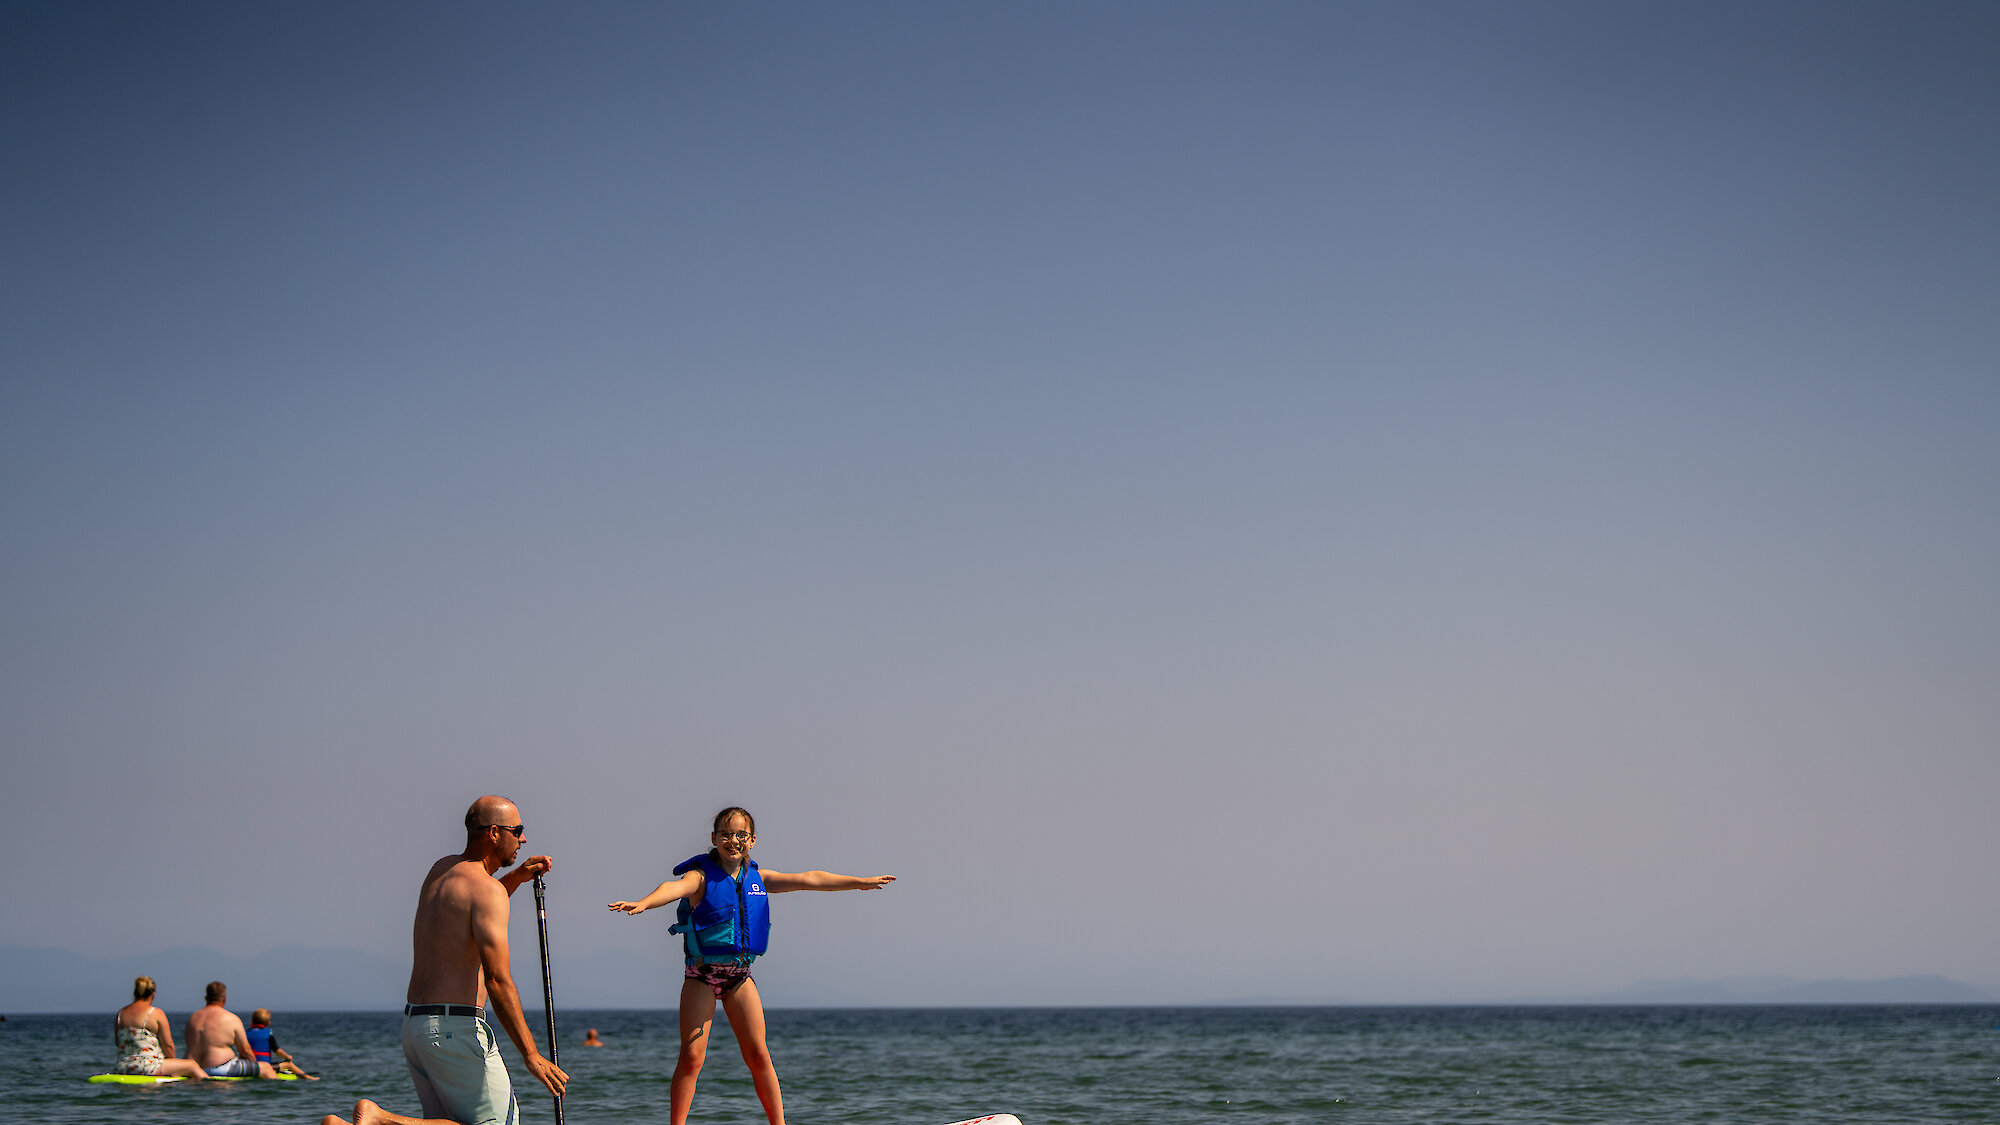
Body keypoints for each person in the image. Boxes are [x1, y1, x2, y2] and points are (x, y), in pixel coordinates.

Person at [607, 806, 895, 1125]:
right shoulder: (699, 877)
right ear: (714, 838)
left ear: (752, 840)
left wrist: (858, 882)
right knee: (691, 1058)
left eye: (741, 834)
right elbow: (672, 889)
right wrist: (643, 903)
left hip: (740, 979)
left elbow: (809, 879)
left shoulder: (759, 878)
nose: (733, 840)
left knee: (759, 1055)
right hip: (702, 977)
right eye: (726, 834)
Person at [321, 796, 568, 1125]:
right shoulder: (487, 891)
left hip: (417, 1027)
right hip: (453, 1030)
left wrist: (516, 878)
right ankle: (379, 1120)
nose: (523, 838)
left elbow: (472, 910)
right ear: (494, 833)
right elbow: (497, 979)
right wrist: (531, 1055)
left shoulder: (441, 871)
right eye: (517, 830)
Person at [112, 976, 209, 1079]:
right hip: (147, 1067)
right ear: (152, 995)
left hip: (122, 1067)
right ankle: (210, 1086)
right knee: (192, 1065)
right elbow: (168, 1046)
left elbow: (118, 1043)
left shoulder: (121, 1014)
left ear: (134, 993)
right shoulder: (155, 1013)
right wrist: (172, 1063)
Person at [185, 981, 281, 1078]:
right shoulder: (231, 1018)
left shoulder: (193, 1018)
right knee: (267, 1068)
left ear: (206, 997)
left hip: (194, 1069)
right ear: (224, 999)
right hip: (222, 1068)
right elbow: (245, 1051)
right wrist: (255, 1066)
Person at [247, 1007, 318, 1079]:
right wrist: (287, 1057)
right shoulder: (267, 1034)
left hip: (249, 1067)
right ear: (265, 1021)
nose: (270, 1022)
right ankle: (308, 1077)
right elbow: (277, 1051)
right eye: (269, 1020)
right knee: (289, 1064)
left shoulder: (246, 1033)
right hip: (265, 1067)